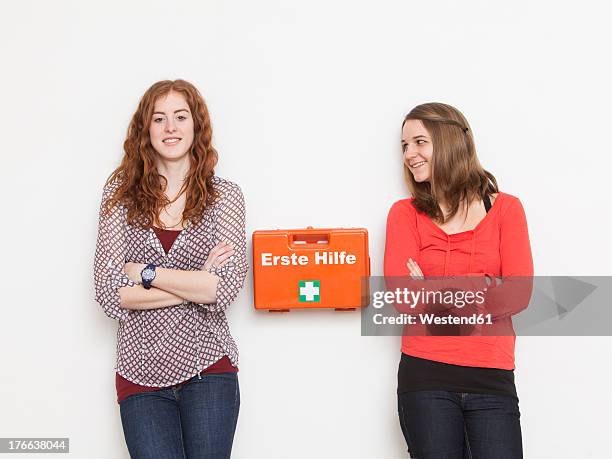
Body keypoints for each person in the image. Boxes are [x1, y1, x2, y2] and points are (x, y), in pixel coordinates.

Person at [93, 79, 247, 458]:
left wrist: (144, 272)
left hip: (208, 369)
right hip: (138, 375)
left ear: (196, 126)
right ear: (146, 129)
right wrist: (196, 282)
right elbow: (109, 293)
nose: (170, 128)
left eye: (180, 117)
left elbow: (222, 290)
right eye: (159, 119)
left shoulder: (224, 197)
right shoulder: (120, 198)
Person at [384, 103, 533, 458]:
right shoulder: (404, 214)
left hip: (492, 378)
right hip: (425, 377)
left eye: (420, 142)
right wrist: (484, 285)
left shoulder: (507, 210)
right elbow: (405, 297)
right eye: (405, 146)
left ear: (450, 141)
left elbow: (519, 293)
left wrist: (433, 289)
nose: (410, 154)